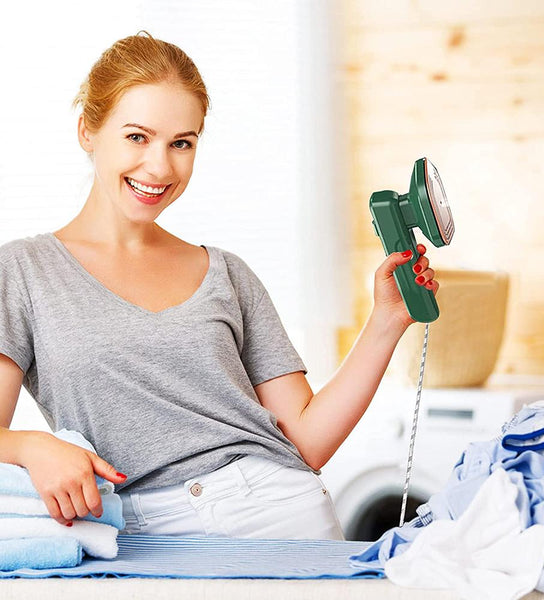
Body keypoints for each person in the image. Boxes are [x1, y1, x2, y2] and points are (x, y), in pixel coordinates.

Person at [0, 32, 438, 540]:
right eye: (137, 137)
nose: (160, 166)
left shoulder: (226, 273)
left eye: (181, 143)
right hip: (142, 535)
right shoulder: (23, 271)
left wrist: (387, 319)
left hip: (282, 510)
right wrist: (33, 446)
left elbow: (308, 440)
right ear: (87, 131)